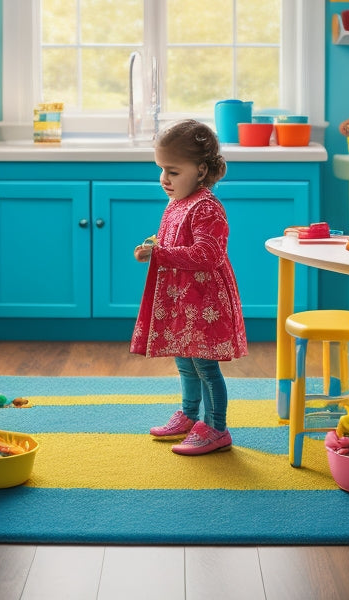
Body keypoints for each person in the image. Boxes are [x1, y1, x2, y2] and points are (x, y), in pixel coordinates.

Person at [130, 119, 248, 455]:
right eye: (161, 170)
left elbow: (207, 254)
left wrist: (162, 253)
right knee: (184, 359)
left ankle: (215, 427)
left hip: (204, 299)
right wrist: (151, 246)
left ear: (200, 170)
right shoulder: (177, 202)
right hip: (183, 297)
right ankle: (190, 414)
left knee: (205, 365)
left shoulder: (207, 207)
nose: (164, 179)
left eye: (173, 171)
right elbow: (171, 239)